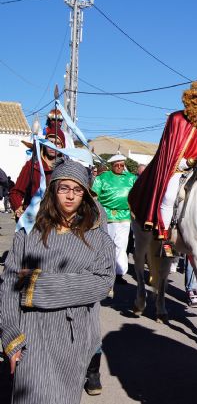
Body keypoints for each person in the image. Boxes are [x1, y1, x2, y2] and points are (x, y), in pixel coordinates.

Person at [0, 160, 115, 403]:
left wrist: (35, 286)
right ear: (53, 191)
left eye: (77, 190)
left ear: (85, 194)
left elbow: (102, 282)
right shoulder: (28, 233)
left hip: (72, 336)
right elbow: (9, 286)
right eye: (64, 188)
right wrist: (10, 337)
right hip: (31, 333)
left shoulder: (98, 238)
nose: (70, 196)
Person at [128, 81, 197, 243]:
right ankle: (164, 235)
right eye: (195, 96)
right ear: (188, 98)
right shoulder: (177, 119)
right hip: (181, 169)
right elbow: (168, 153)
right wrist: (187, 162)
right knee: (169, 194)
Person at [92, 153, 137, 285]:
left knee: (121, 245)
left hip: (125, 217)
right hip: (107, 215)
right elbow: (94, 195)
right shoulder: (103, 178)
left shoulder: (131, 178)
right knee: (107, 244)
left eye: (122, 165)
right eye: (116, 165)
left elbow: (137, 195)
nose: (119, 167)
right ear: (112, 165)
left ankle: (119, 273)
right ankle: (104, 270)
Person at [10, 127, 65, 219]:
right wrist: (18, 208)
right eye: (50, 142)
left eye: (57, 143)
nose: (53, 146)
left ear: (63, 146)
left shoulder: (66, 168)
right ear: (44, 143)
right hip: (33, 219)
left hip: (57, 220)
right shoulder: (32, 166)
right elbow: (16, 192)